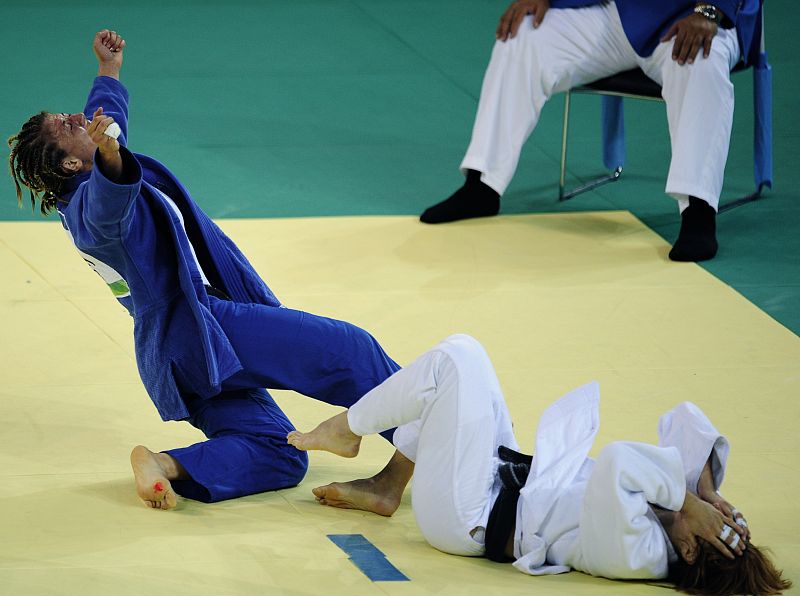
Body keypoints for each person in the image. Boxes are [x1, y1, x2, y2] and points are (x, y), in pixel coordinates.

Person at [7, 29, 414, 511]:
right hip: (202, 329)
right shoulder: (92, 216)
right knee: (352, 350)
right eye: (67, 124)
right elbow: (109, 192)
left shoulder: (91, 173)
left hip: (183, 356)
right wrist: (112, 154)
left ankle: (164, 464)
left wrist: (108, 72)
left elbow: (108, 131)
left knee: (278, 453)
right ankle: (404, 473)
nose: (79, 117)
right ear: (74, 161)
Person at [288, 334, 791, 596]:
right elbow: (684, 417)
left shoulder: (635, 555)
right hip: (503, 476)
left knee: (453, 363)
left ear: (688, 546)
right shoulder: (676, 528)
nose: (713, 517)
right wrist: (707, 496)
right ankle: (387, 486)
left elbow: (620, 463)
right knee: (468, 370)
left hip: (468, 518)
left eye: (713, 526)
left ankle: (346, 429)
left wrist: (690, 503)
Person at [421, 0, 765, 262]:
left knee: (701, 63)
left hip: (696, 15)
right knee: (523, 36)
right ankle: (482, 185)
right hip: (613, 11)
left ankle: (698, 213)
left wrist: (710, 11)